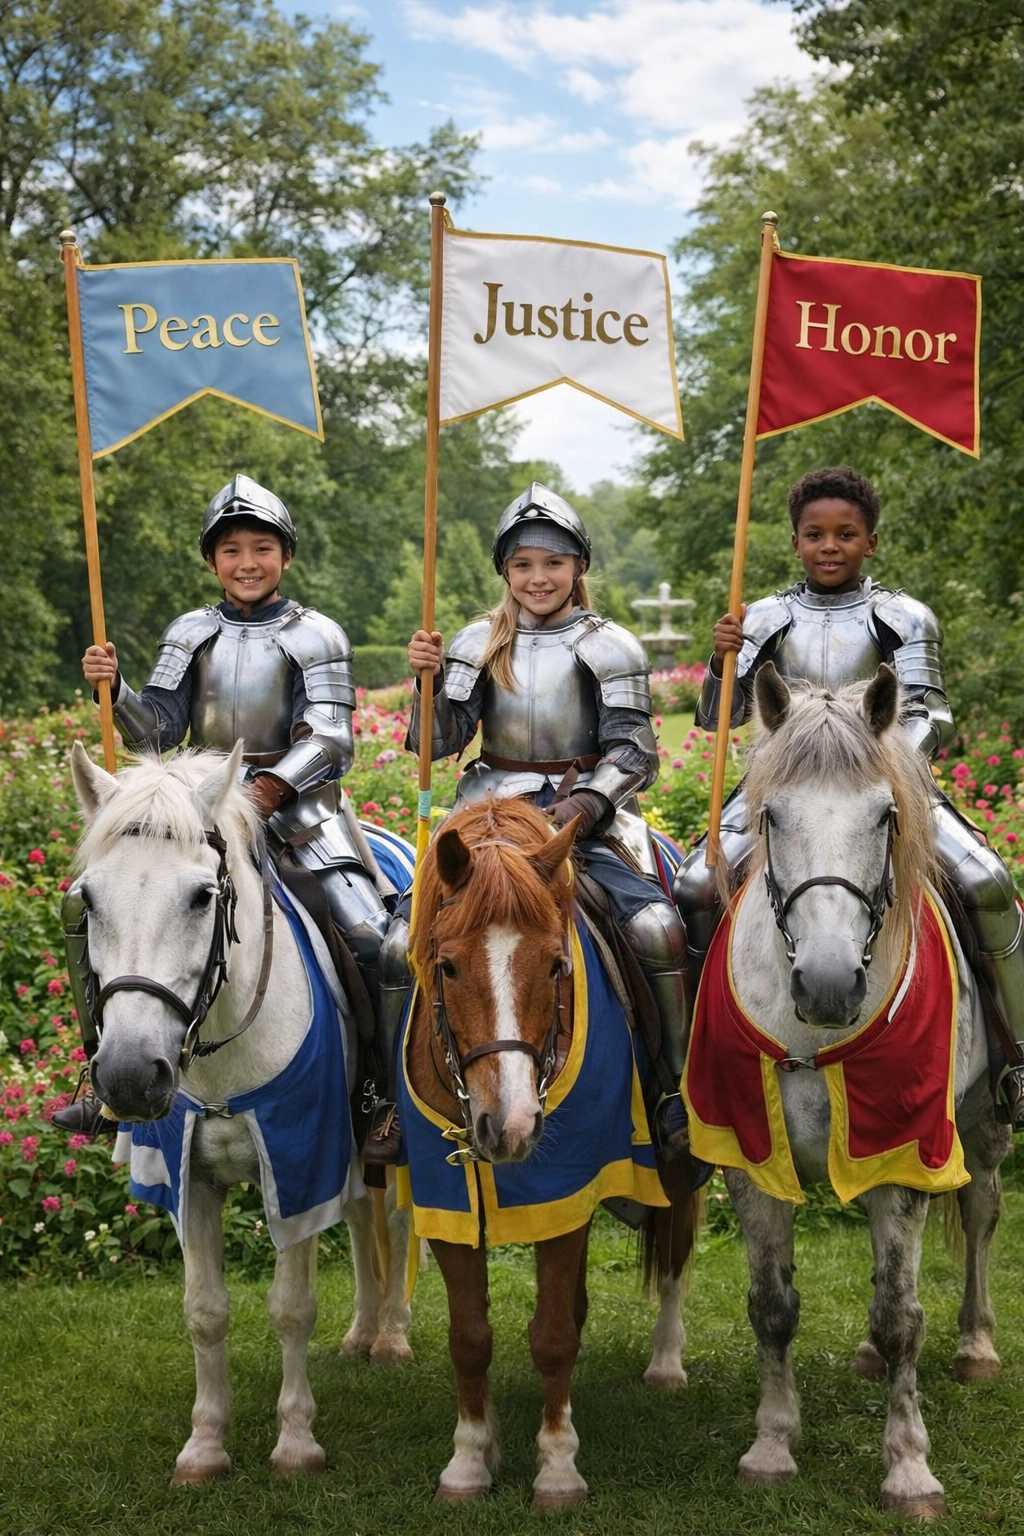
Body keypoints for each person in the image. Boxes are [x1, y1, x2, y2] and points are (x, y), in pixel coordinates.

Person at [674, 464, 1024, 1130]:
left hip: (884, 783)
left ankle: (1016, 1056)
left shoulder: (902, 617)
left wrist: (879, 759)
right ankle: (692, 1056)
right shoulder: (766, 617)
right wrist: (723, 664)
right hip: (786, 786)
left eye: (845, 533)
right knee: (694, 885)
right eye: (814, 534)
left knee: (986, 882)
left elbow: (932, 715)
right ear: (796, 541)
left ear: (870, 541)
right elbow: (719, 717)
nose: (829, 545)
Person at [54, 475, 392, 1136]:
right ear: (212, 561)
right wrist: (116, 688)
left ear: (285, 556)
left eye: (261, 547)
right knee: (90, 911)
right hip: (198, 815)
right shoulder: (191, 631)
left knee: (374, 937)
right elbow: (157, 730)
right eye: (231, 550)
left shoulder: (316, 634)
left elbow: (330, 737)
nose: (246, 563)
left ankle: (378, 1092)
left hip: (301, 817)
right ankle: (104, 1071)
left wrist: (261, 793)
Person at [377, 482, 694, 1162]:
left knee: (657, 929)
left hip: (587, 818)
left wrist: (578, 810)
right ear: (505, 572)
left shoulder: (610, 645)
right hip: (488, 812)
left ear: (578, 566)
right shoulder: (475, 641)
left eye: (553, 562)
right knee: (392, 943)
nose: (538, 577)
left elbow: (635, 749)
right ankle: (387, 1099)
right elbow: (436, 742)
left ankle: (673, 1090)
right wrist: (426, 685)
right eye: (523, 564)